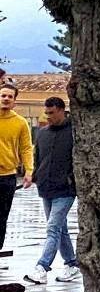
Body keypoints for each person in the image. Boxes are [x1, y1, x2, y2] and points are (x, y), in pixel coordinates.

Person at [24, 95, 78, 284]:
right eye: (46, 113)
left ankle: (42, 267)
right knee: (60, 228)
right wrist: (33, 176)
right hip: (46, 188)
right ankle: (72, 263)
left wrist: (71, 179)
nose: (48, 117)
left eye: (52, 113)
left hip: (66, 189)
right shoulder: (42, 133)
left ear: (62, 110)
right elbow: (38, 158)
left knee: (53, 228)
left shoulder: (75, 133)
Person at [0, 84, 34, 255]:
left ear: (14, 101)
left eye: (9, 97)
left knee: (2, 216)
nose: (6, 99)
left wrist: (29, 170)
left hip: (7, 176)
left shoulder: (20, 123)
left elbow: (26, 148)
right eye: (3, 95)